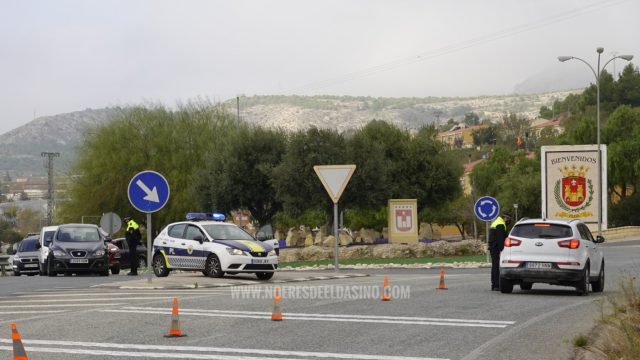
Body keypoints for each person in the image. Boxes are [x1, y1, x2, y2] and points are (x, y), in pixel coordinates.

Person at [488, 212, 512, 291]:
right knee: (496, 267)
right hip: (496, 248)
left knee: (495, 266)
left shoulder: (497, 222)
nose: (508, 221)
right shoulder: (500, 224)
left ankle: (494, 284)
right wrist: (502, 250)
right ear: (505, 218)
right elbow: (500, 239)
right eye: (508, 219)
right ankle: (496, 285)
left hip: (493, 247)